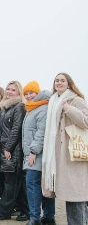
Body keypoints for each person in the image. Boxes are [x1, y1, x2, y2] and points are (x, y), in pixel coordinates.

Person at [42, 73, 88, 225]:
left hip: (74, 155)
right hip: (61, 156)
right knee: (70, 197)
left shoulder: (76, 100)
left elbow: (86, 121)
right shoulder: (54, 101)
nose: (59, 83)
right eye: (56, 80)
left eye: (63, 80)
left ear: (69, 84)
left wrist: (68, 108)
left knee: (76, 197)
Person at [0, 81, 29, 221]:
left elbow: (16, 130)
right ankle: (26, 211)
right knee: (15, 183)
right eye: (8, 89)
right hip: (2, 150)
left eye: (13, 89)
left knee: (10, 183)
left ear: (19, 92)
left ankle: (4, 212)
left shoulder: (19, 107)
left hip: (13, 151)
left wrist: (8, 148)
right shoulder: (5, 107)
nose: (10, 91)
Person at [21, 81, 55, 225]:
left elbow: (41, 132)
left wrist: (33, 151)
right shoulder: (32, 108)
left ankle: (35, 217)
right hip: (34, 154)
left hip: (36, 155)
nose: (28, 96)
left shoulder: (42, 108)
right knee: (43, 185)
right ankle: (48, 216)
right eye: (26, 94)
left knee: (32, 184)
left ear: (38, 93)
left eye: (31, 93)